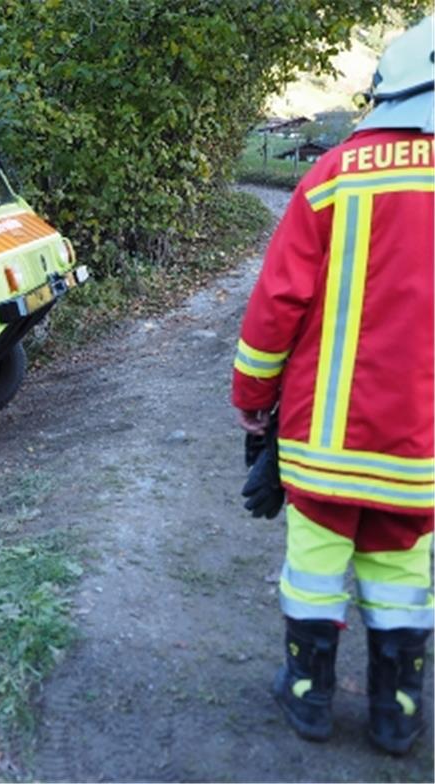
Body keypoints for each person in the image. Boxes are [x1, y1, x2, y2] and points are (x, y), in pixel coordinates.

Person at [231, 16, 434, 755]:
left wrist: (253, 402)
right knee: (402, 570)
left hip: (324, 440)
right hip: (420, 452)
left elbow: (274, 308)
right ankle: (398, 711)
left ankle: (311, 698)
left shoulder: (333, 177)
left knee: (316, 563)